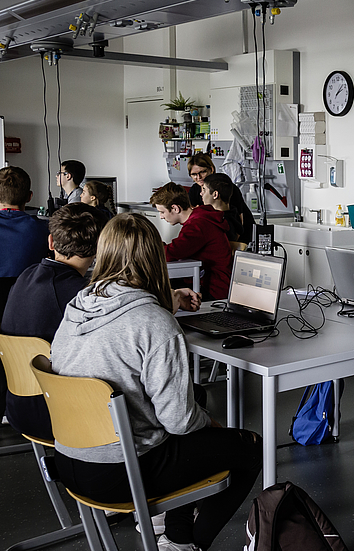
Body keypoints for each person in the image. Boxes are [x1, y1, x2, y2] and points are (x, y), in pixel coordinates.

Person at [50, 213, 261, 551]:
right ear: (155, 258)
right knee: (249, 447)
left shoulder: (78, 306)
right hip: (123, 472)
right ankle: (184, 544)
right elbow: (178, 422)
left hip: (71, 461)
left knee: (193, 397)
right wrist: (211, 424)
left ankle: (175, 530)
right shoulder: (155, 323)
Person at [0, 203, 109, 441]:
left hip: (18, 408)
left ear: (51, 242)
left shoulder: (26, 275)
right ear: (101, 249)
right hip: (60, 415)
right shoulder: (82, 297)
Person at [150, 182, 232, 301]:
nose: (161, 216)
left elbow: (171, 252)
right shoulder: (198, 218)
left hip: (213, 289)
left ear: (175, 208)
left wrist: (148, 245)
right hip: (206, 281)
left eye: (162, 212)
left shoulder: (197, 225)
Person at [186, 153, 254, 244]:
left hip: (240, 234)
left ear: (211, 169)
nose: (198, 177)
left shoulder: (227, 187)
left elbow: (239, 220)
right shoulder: (194, 191)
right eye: (194, 174)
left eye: (202, 172)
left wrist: (232, 244)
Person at [201, 172, 243, 242]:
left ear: (215, 194)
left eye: (204, 190)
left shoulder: (222, 224)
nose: (201, 193)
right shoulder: (234, 215)